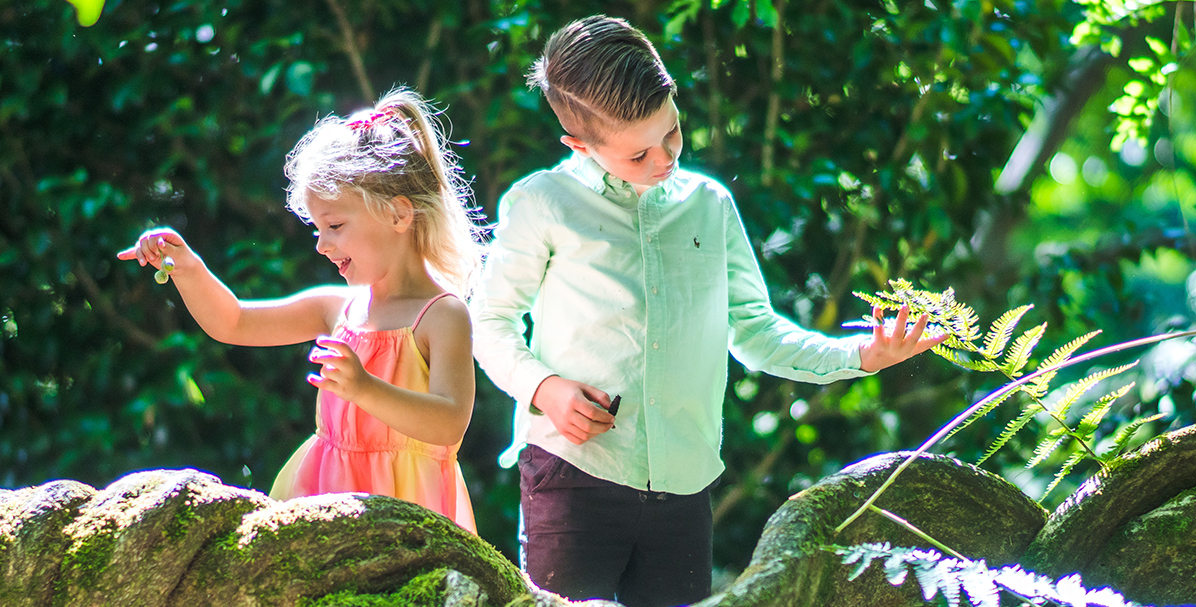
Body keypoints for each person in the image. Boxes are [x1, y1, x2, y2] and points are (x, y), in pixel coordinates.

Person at [470, 15, 948, 606]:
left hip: (684, 485)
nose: (664, 158)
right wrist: (544, 388)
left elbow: (753, 330)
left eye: (672, 133)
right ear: (580, 146)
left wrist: (862, 354)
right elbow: (489, 323)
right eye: (637, 154)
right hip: (571, 475)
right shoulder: (542, 203)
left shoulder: (709, 205)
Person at [118, 88, 482, 533]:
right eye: (316, 227)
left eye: (335, 226)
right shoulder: (337, 309)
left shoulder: (442, 315)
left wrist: (365, 388)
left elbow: (448, 424)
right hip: (323, 496)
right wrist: (188, 268)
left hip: (409, 513)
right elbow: (232, 322)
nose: (321, 244)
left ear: (398, 215)